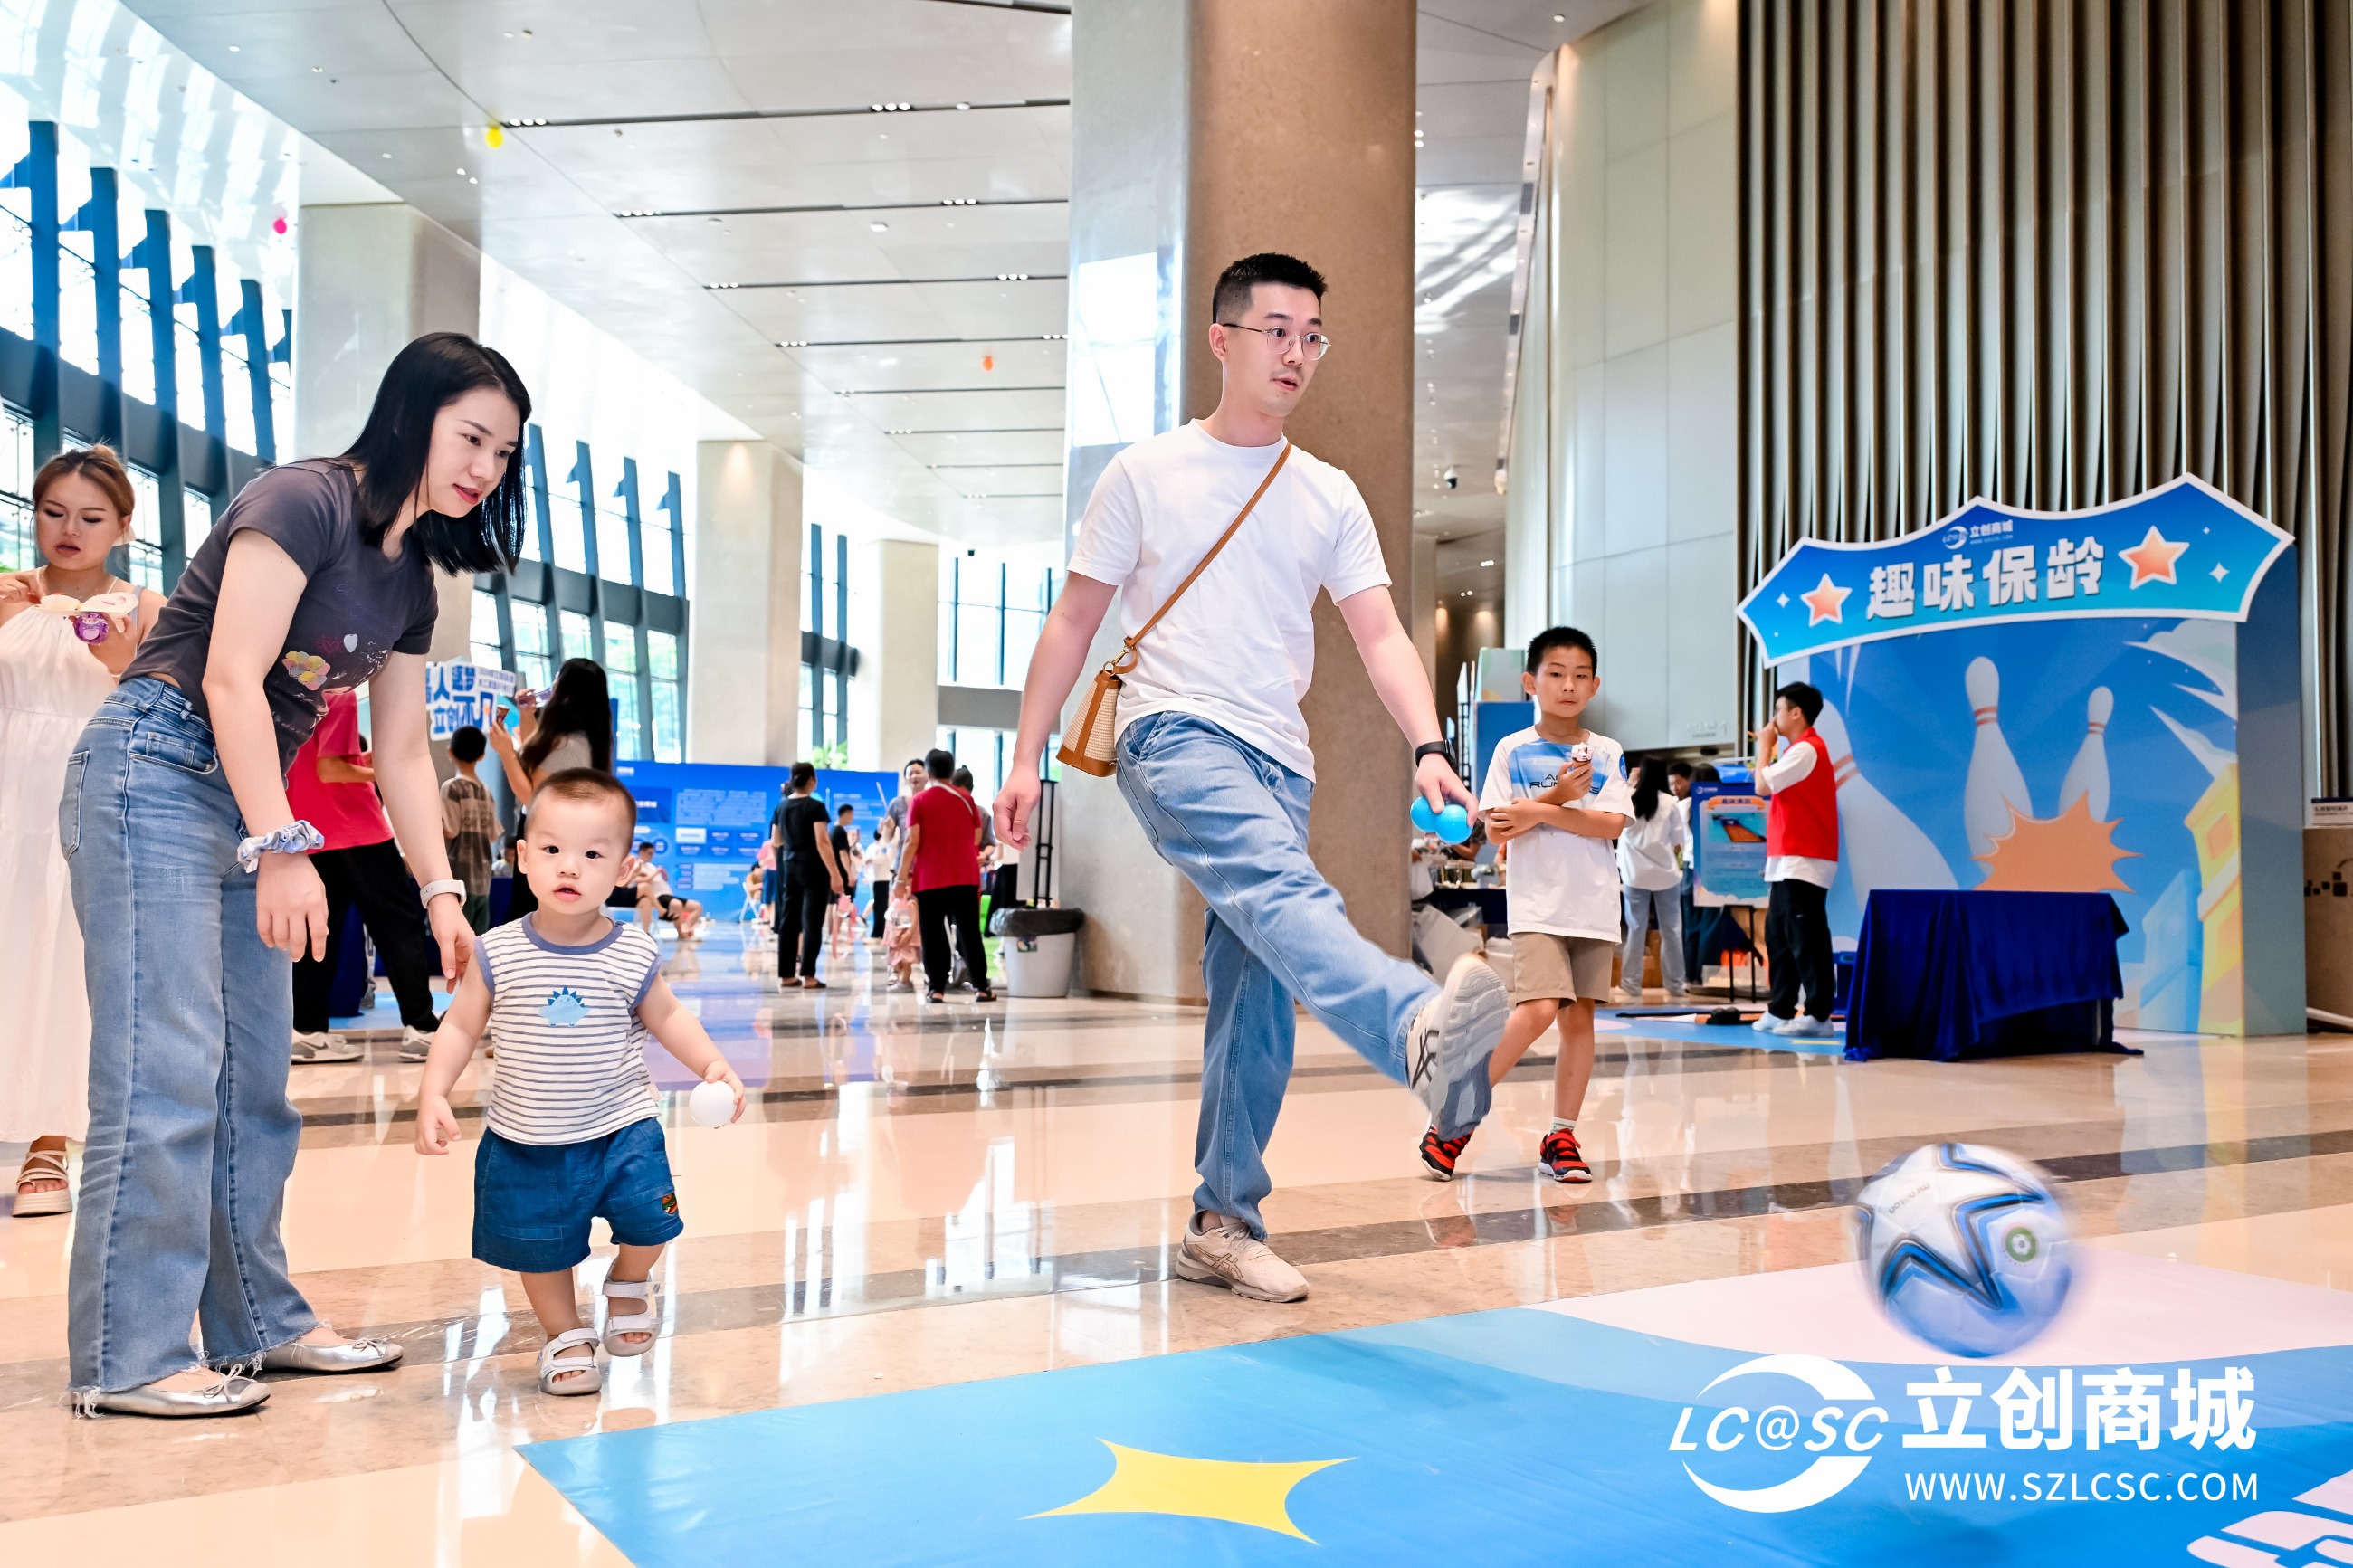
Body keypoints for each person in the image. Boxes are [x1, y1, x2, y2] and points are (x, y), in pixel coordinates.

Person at [992, 252, 1507, 1303]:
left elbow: (1379, 634)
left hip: (1281, 758)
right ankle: (1411, 1026)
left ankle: (1220, 1223)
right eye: (1276, 330)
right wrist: (1022, 755)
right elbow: (1073, 619)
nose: (1296, 352)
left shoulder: (1327, 492)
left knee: (1254, 987)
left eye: (1312, 335)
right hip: (1172, 732)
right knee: (1282, 890)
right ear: (1220, 339)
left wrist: (1428, 745)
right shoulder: (1143, 473)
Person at [67, 330, 522, 1416]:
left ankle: (258, 1322)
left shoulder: (412, 579)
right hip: (154, 768)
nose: (484, 468)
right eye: (470, 437)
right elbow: (230, 677)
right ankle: (128, 1354)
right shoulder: (304, 498)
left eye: (504, 453)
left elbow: (401, 752)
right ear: (410, 414)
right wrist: (280, 845)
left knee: (253, 1082)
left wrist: (441, 893)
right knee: (168, 1069)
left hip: (245, 791)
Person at [411, 770, 745, 1396]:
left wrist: (711, 1064)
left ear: (623, 870)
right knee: (540, 1247)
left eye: (593, 854)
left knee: (652, 1219)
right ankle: (565, 1333)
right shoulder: (496, 951)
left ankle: (629, 1279)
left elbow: (669, 1015)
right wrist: (433, 1091)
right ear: (522, 856)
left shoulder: (632, 952)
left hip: (623, 1126)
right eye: (552, 849)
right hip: (525, 1139)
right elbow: (459, 1025)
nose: (570, 867)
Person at [0, 444, 165, 1218]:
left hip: (92, 794)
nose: (70, 530)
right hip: (9, 791)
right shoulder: (9, 595)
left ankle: (49, 1140)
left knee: (68, 959)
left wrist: (123, 658)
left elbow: (170, 708)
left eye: (92, 517)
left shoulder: (146, 605)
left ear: (123, 526)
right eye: (54, 512)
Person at [1418, 628, 1631, 1186]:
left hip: (1594, 907)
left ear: (1595, 685)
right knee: (1537, 1010)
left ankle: (1561, 1134)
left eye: (1580, 676)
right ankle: (1455, 1114)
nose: (1568, 685)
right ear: (1531, 682)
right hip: (1538, 905)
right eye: (1556, 674)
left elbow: (1610, 824)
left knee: (1579, 1020)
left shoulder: (1607, 751)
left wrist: (1538, 811)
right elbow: (1497, 827)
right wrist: (1558, 797)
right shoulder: (1512, 749)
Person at [285, 689, 448, 1064]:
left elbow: (315, 764)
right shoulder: (338, 695)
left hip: (312, 832)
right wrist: (387, 771)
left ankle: (308, 1033)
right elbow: (330, 769)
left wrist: (360, 760)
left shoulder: (291, 689)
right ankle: (422, 1028)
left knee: (320, 933)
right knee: (400, 927)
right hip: (358, 830)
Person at [487, 657, 614, 924]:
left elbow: (534, 799)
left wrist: (506, 754)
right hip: (560, 837)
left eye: (558, 678)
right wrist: (526, 715)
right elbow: (537, 758)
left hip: (546, 836)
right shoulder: (583, 739)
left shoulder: (566, 744)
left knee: (530, 915)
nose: (552, 684)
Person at [1751, 680, 1840, 1035]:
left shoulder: (1807, 749)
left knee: (1807, 938)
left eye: (1778, 709)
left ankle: (1818, 1014)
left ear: (1796, 713)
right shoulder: (1797, 751)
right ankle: (1781, 1008)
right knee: (1779, 937)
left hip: (1805, 859)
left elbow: (1761, 785)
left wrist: (1764, 746)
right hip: (1788, 859)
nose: (1774, 718)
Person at [900, 750, 993, 1003]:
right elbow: (976, 837)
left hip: (929, 878)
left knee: (932, 934)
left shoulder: (920, 800)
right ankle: (982, 987)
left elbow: (911, 840)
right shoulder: (967, 799)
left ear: (929, 773)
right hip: (965, 876)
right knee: (969, 932)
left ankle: (937, 989)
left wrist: (901, 878)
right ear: (951, 772)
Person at [1615, 756, 1691, 1001]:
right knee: (1672, 930)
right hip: (1666, 875)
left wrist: (1630, 783)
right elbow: (1678, 841)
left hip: (1634, 874)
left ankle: (1631, 984)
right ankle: (1675, 985)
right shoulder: (1670, 802)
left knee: (1636, 929)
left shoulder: (1628, 798)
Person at [768, 763, 843, 988]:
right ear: (812, 779)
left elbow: (776, 841)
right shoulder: (815, 806)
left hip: (790, 868)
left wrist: (793, 842)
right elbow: (822, 841)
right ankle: (809, 975)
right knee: (812, 922)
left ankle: (787, 975)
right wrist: (835, 873)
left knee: (789, 921)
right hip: (814, 869)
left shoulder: (781, 806)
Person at [442, 723, 501, 934]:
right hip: (483, 879)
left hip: (458, 877)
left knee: (455, 939)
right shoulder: (486, 792)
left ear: (450, 752)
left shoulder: (452, 787)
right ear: (482, 756)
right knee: (478, 940)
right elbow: (492, 836)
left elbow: (451, 830)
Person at [872, 758, 923, 939]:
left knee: (921, 916)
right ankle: (900, 953)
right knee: (900, 914)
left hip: (925, 866)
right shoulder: (897, 803)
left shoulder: (931, 800)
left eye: (918, 772)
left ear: (927, 775)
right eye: (910, 773)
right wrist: (888, 827)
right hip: (903, 865)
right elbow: (887, 837)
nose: (914, 776)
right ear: (906, 778)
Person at [629, 841, 702, 938]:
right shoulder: (636, 866)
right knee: (676, 904)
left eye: (653, 854)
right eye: (649, 853)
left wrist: (663, 876)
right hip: (657, 896)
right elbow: (640, 881)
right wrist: (656, 872)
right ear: (641, 852)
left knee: (697, 907)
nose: (651, 856)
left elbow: (656, 880)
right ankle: (681, 934)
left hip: (667, 895)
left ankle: (685, 929)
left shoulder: (651, 866)